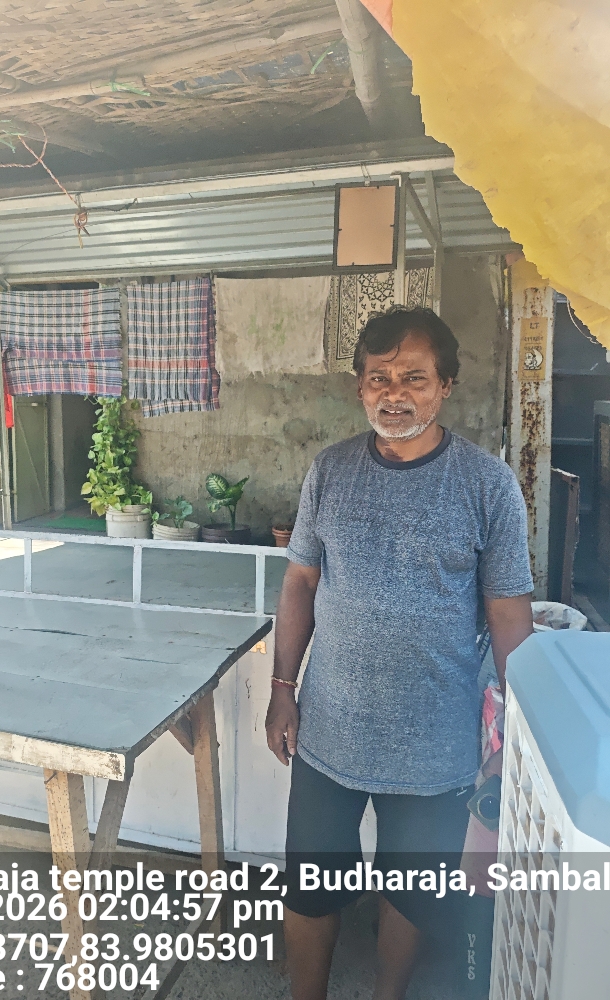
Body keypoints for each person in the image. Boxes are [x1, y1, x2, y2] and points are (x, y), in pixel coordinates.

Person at [265, 306, 534, 1000]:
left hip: (436, 745)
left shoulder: (488, 485)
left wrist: (518, 733)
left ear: (445, 386)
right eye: (378, 377)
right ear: (360, 387)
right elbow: (300, 581)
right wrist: (282, 688)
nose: (394, 393)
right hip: (329, 731)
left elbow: (509, 614)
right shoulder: (330, 471)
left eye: (414, 377)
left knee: (411, 893)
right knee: (311, 885)